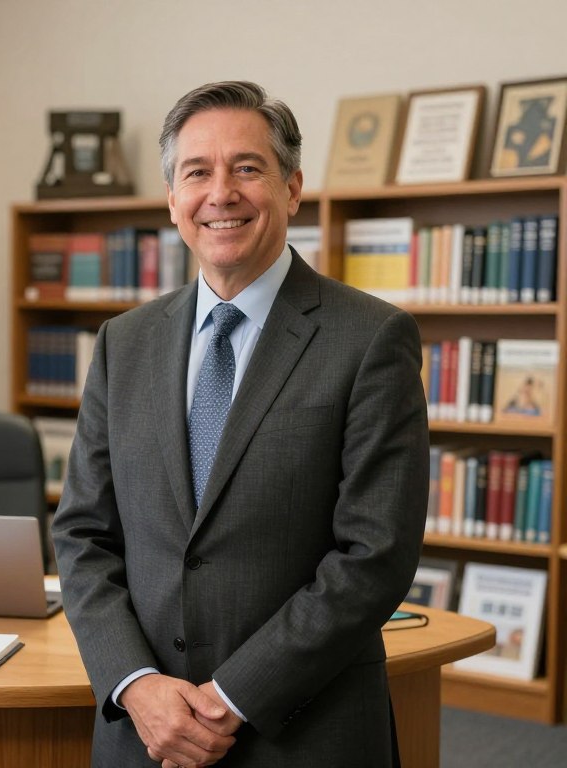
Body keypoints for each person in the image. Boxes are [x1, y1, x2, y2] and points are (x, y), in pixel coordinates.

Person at [51, 80, 429, 768]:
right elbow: (82, 535)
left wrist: (231, 697)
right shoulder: (123, 343)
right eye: (197, 172)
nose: (220, 193)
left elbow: (375, 555)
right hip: (144, 737)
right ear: (173, 199)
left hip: (303, 734)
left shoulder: (371, 338)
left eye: (247, 168)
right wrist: (136, 686)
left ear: (292, 190)